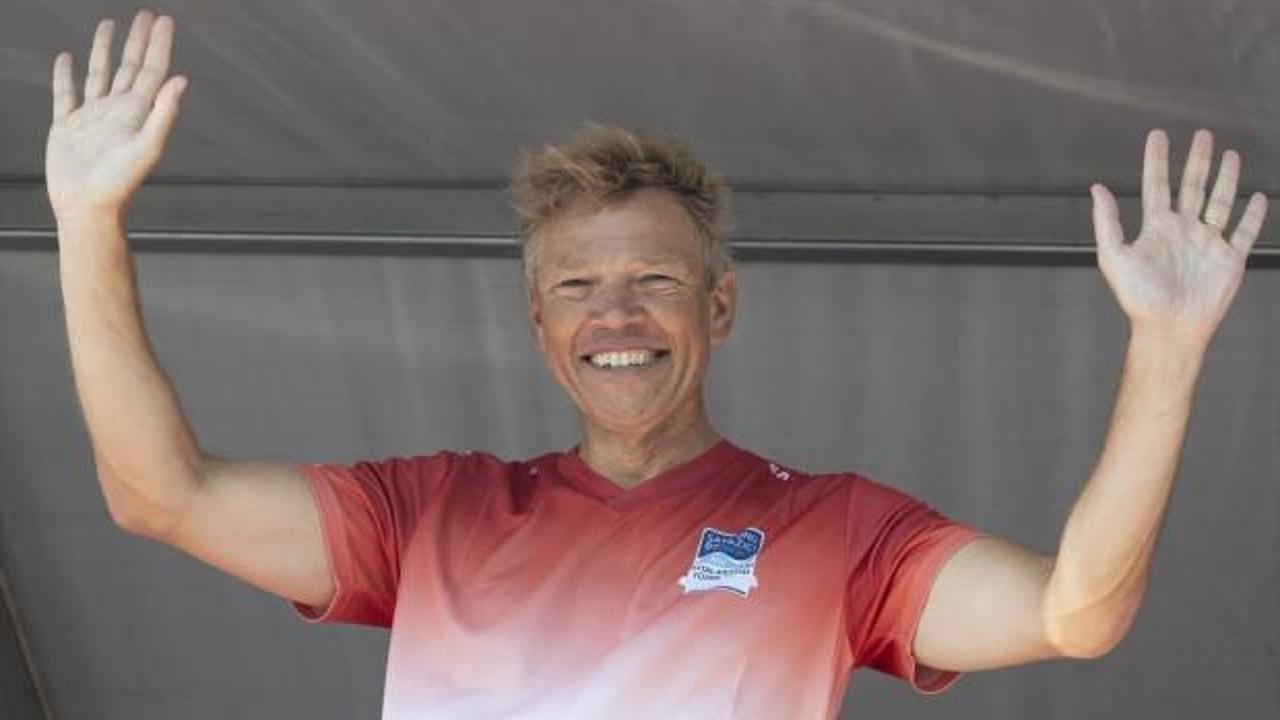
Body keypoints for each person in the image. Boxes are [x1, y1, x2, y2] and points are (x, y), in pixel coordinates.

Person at [46, 9, 1270, 720]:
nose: (615, 314)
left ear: (719, 305)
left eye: (654, 280)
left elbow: (1073, 614)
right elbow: (162, 496)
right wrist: (87, 223)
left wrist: (1164, 353)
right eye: (577, 287)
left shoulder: (836, 533)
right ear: (537, 322)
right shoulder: (428, 514)